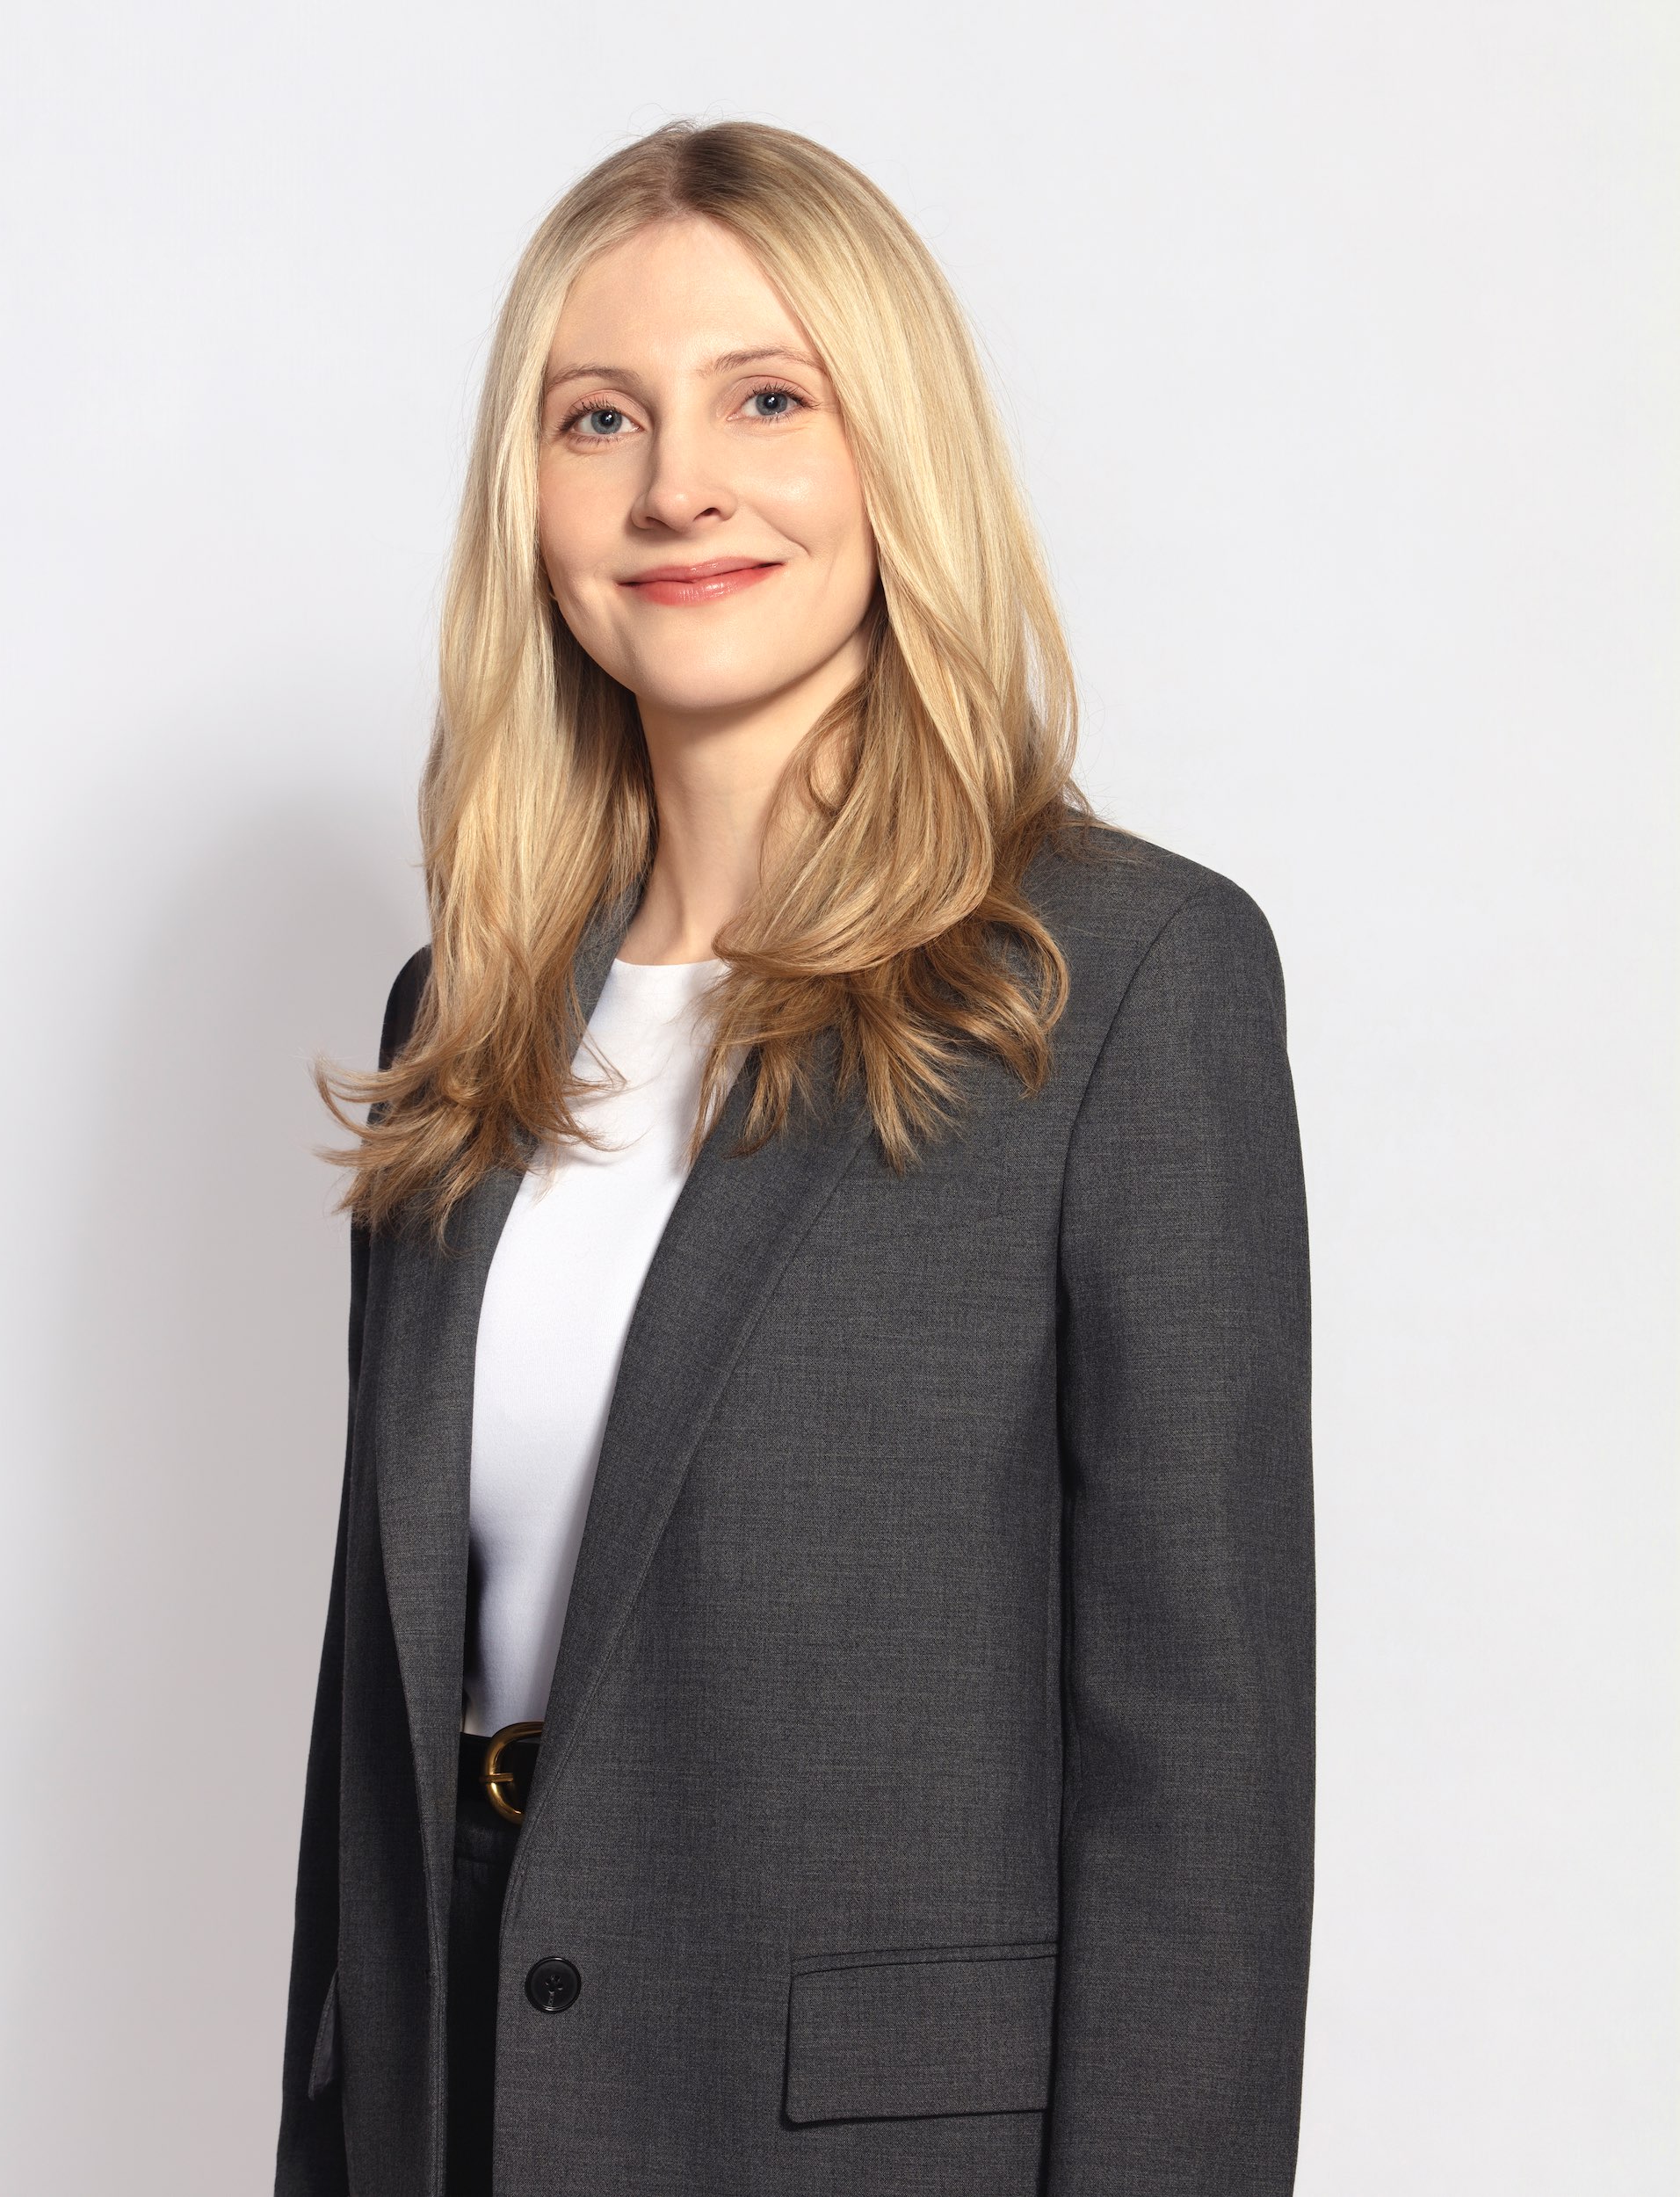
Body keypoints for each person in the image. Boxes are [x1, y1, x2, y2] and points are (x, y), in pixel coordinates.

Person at [275, 118, 1314, 2197]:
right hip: (457, 2093)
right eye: (598, 416)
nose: (677, 485)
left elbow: (1198, 1776)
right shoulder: (463, 1011)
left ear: (891, 454)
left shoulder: (1117, 978)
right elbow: (375, 1722)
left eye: (767, 399)